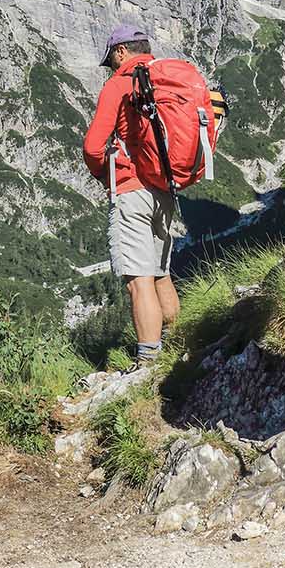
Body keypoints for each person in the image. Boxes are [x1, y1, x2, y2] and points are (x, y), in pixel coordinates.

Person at [83, 23, 181, 368]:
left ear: (122, 51)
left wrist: (104, 175)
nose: (110, 65)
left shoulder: (120, 84)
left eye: (110, 58)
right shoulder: (165, 79)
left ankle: (149, 363)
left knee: (138, 283)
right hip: (165, 189)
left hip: (131, 191)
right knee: (160, 272)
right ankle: (177, 344)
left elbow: (94, 145)